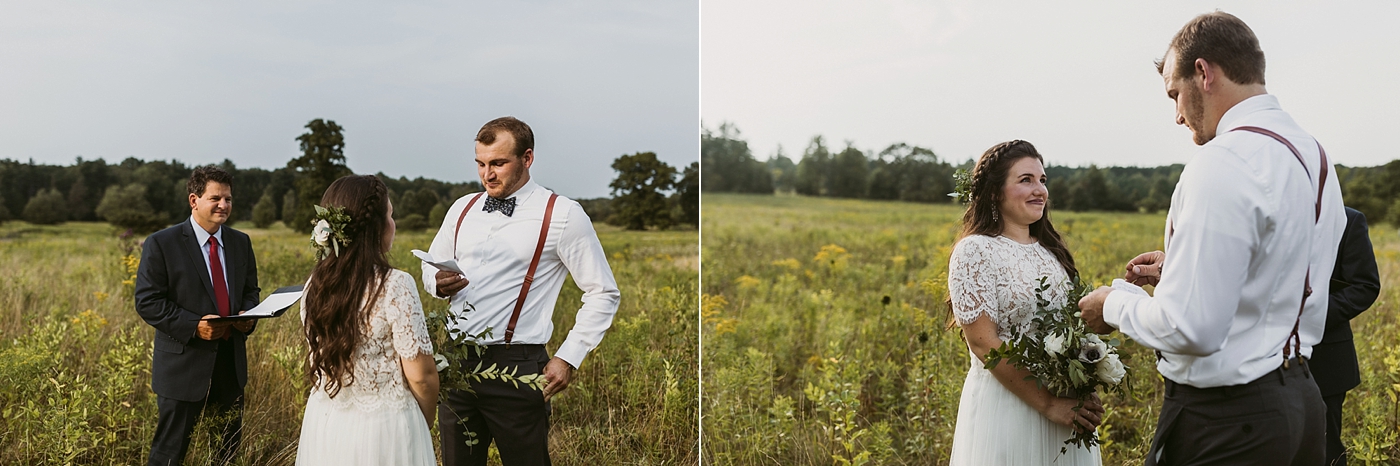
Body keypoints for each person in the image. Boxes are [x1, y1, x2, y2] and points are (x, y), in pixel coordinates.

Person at [1077, 11, 1346, 466]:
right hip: (1302, 404)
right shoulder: (1312, 155)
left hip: (1227, 421)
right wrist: (1183, 269)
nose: (1177, 116)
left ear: (1203, 73)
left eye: (1174, 94)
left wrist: (1113, 303)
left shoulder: (1223, 160)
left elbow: (1191, 328)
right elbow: (1277, 270)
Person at [423, 116, 621, 466]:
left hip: (518, 366)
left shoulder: (562, 214)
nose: (488, 175)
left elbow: (603, 291)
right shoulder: (463, 207)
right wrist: (435, 282)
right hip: (456, 362)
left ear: (527, 158)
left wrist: (568, 356)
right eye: (481, 164)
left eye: (498, 163)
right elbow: (431, 264)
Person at [946, 140, 1103, 465]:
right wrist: (1047, 404)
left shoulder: (1052, 251)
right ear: (994, 192)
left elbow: (1072, 324)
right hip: (1009, 407)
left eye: (1042, 180)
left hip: (1065, 406)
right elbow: (983, 342)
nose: (1039, 190)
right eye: (1025, 180)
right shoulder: (975, 251)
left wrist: (1088, 370)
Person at [295, 174, 439, 465]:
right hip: (386, 428)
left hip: (328, 420)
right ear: (377, 227)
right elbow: (421, 375)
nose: (393, 223)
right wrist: (423, 420)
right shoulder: (395, 284)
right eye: (391, 214)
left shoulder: (315, 285)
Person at [135, 165, 259, 465]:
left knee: (226, 453)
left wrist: (248, 314)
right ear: (194, 200)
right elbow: (147, 301)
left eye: (228, 199)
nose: (224, 205)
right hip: (183, 367)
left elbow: (250, 290)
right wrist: (194, 326)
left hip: (230, 366)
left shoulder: (241, 242)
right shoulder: (162, 243)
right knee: (168, 454)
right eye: (215, 198)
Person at [1313, 207, 1381, 466]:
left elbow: (1365, 286)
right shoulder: (1267, 213)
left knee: (1326, 450)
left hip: (1324, 360)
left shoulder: (1348, 220)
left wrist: (1310, 315)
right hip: (1265, 359)